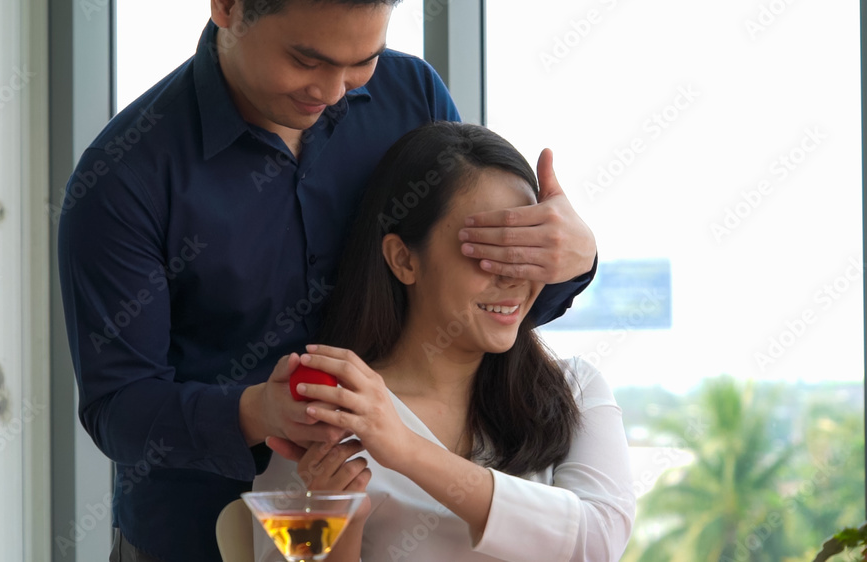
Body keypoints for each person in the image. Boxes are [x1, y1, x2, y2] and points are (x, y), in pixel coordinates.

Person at [56, 0, 599, 560]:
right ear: (228, 8)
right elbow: (118, 408)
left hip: (389, 524)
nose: (335, 90)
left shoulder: (410, 95)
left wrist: (570, 260)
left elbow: (461, 294)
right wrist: (259, 412)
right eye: (306, 59)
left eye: (363, 61)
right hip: (194, 536)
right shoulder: (124, 178)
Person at [253, 121, 635, 562]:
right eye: (486, 251)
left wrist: (407, 449)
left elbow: (597, 542)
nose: (512, 275)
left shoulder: (575, 389)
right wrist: (341, 528)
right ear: (403, 259)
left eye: (525, 250)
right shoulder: (328, 417)